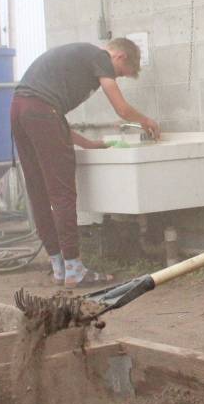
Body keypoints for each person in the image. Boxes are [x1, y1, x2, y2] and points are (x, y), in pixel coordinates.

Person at [10, 38, 160, 289]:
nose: (116, 78)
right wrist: (147, 121)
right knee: (62, 193)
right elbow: (121, 109)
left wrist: (88, 144)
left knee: (39, 191)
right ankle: (74, 269)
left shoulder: (72, 62)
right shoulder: (100, 57)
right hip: (40, 112)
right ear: (120, 57)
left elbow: (52, 117)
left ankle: (58, 265)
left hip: (18, 108)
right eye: (121, 74)